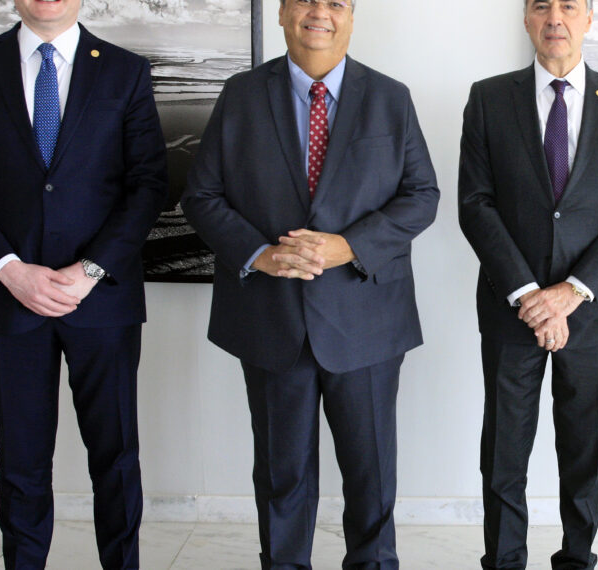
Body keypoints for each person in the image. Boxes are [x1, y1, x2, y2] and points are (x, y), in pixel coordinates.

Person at [180, 0, 440, 567]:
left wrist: (348, 246)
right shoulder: (241, 95)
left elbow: (422, 196)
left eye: (336, 2)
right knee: (282, 478)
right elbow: (200, 195)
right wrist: (261, 254)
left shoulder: (390, 97)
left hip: (367, 321)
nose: (319, 12)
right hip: (271, 321)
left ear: (350, 17)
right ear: (281, 13)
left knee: (371, 481)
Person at [0, 0, 168, 567]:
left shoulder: (124, 69)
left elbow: (148, 184)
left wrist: (89, 271)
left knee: (115, 456)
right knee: (21, 460)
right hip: (10, 300)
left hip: (102, 299)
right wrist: (9, 269)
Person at [458, 0, 598, 567]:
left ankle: (577, 558)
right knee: (504, 452)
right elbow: (475, 203)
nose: (555, 16)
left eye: (570, 5)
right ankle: (504, 561)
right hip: (510, 308)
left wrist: (571, 291)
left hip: (591, 312)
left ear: (589, 19)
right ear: (526, 18)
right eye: (541, 4)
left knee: (584, 451)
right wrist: (528, 294)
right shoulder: (489, 97)